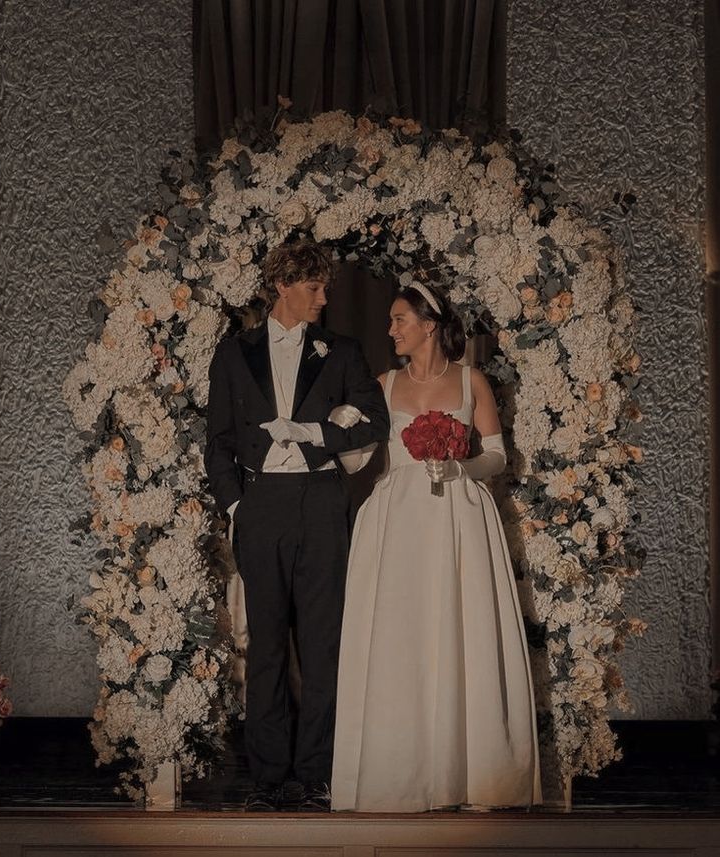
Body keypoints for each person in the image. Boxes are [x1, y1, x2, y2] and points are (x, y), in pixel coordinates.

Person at [330, 282, 542, 812]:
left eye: (400, 319)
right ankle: (399, 770)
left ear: (429, 325)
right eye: (390, 320)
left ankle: (465, 772)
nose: (391, 329)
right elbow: (358, 463)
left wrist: (459, 467)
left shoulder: (472, 381)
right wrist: (340, 431)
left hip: (457, 515)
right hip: (395, 520)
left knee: (458, 627)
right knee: (400, 635)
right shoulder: (382, 384)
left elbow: (496, 456)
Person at [204, 240, 389, 812]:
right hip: (261, 506)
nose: (323, 297)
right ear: (282, 285)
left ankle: (315, 775)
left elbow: (374, 421)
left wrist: (317, 434)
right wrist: (237, 508)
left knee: (321, 645)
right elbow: (218, 443)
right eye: (313, 287)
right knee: (264, 650)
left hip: (322, 502)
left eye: (325, 287)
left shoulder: (342, 351)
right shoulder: (235, 353)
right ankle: (266, 778)